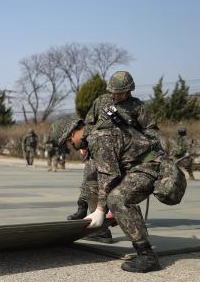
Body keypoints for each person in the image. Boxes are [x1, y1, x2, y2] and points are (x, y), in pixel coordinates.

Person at [52, 116, 162, 273]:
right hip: (138, 167)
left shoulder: (99, 137)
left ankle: (147, 256)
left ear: (71, 134)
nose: (73, 147)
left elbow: (109, 176)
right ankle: (117, 235)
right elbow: (105, 174)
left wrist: (100, 209)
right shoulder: (95, 135)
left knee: (117, 199)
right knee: (111, 197)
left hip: (153, 167)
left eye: (70, 143)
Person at [67, 71, 161, 244]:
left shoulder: (138, 107)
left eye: (120, 92)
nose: (116, 95)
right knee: (91, 183)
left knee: (120, 193)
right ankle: (97, 226)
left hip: (125, 155)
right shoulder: (101, 101)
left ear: (129, 90)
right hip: (99, 151)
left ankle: (132, 229)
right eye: (113, 92)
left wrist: (152, 154)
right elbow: (89, 123)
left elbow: (151, 133)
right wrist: (85, 142)